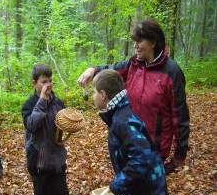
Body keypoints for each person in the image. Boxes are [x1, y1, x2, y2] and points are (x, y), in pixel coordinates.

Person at [78, 18, 190, 175]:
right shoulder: (133, 65)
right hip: (128, 141)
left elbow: (180, 116)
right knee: (129, 184)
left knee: (147, 190)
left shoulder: (171, 72)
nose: (135, 46)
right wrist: (92, 70)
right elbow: (111, 69)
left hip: (153, 147)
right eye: (134, 41)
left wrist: (180, 152)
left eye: (140, 41)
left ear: (154, 42)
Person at [92, 69, 169, 195]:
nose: (93, 96)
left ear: (103, 94)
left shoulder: (122, 120)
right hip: (138, 189)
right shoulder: (120, 112)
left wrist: (118, 184)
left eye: (94, 92)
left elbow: (142, 157)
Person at [21, 63, 69, 195]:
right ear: (34, 83)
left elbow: (62, 124)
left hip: (57, 159)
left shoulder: (57, 102)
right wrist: (41, 100)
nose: (48, 85)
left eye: (50, 81)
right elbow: (32, 126)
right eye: (43, 82)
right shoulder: (28, 105)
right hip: (39, 160)